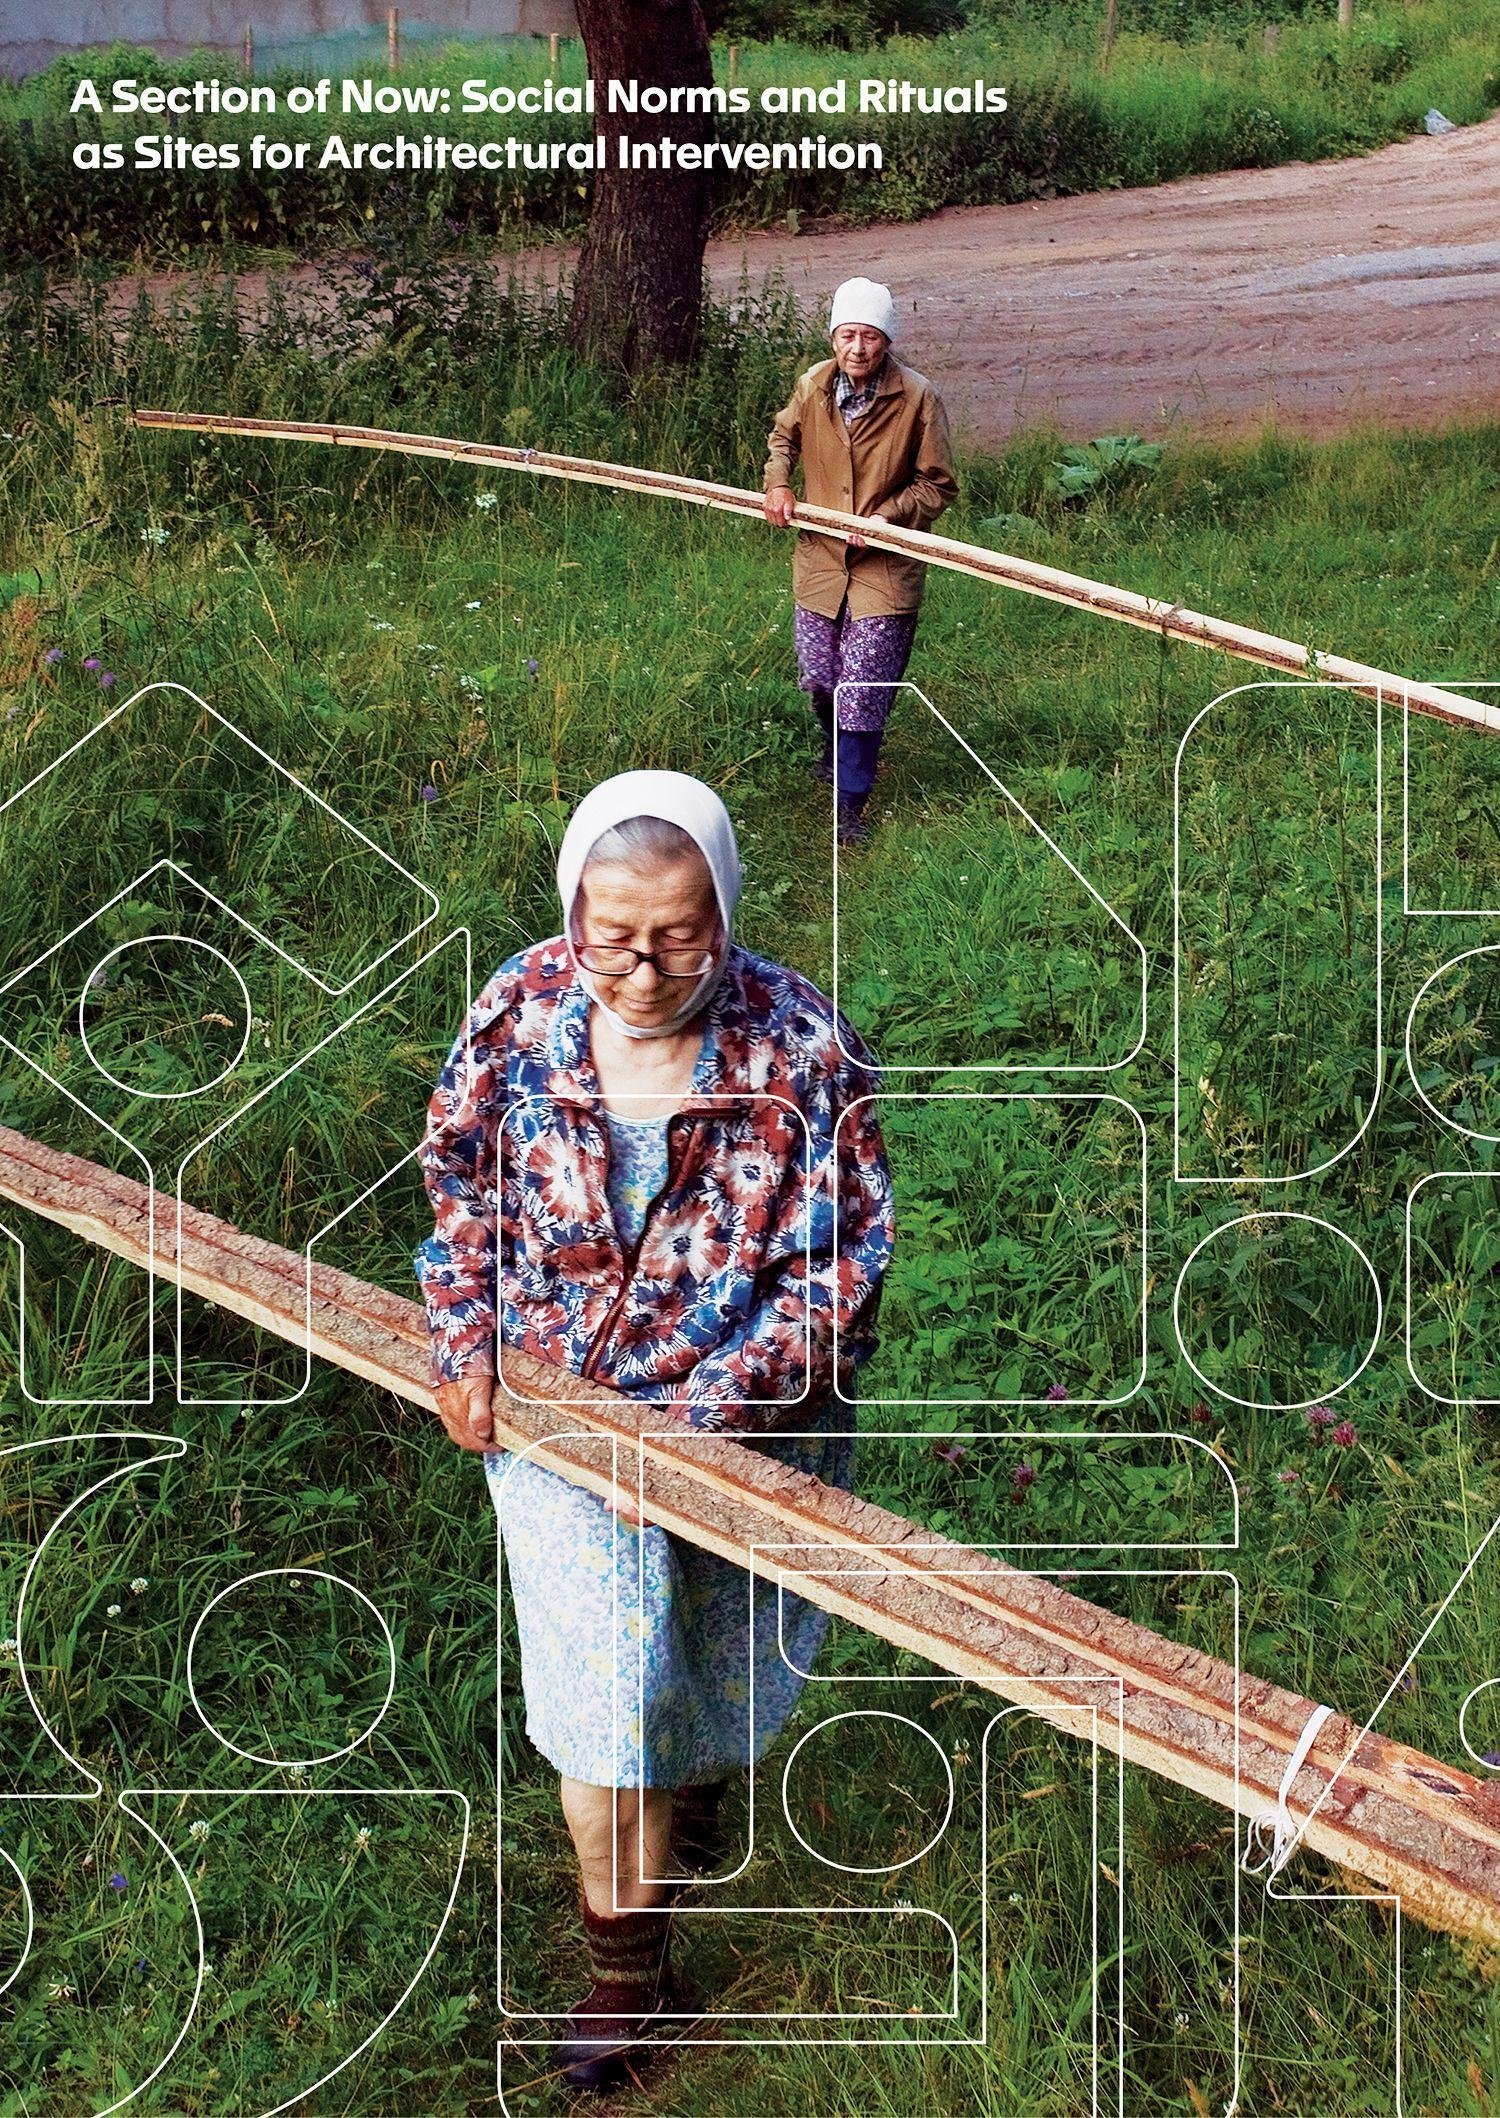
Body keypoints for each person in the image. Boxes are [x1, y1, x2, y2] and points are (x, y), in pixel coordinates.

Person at [414, 769, 895, 2093]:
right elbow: (459, 1179)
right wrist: (463, 1336)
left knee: (717, 1656)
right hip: (562, 1414)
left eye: (680, 936)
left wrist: (694, 1428)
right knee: (609, 1695)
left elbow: (840, 1273)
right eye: (611, 934)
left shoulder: (803, 1044)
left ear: (725, 911)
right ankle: (628, 1979)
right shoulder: (520, 1006)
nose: (640, 970)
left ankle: (694, 1791)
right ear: (570, 911)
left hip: (749, 1422)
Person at [763, 274, 959, 846]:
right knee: (822, 677)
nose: (858, 348)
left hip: (884, 566)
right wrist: (778, 484)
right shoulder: (813, 387)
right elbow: (783, 440)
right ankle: (835, 748)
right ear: (832, 338)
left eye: (870, 337)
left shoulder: (918, 398)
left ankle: (849, 803)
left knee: (864, 686)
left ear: (886, 341)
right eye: (847, 335)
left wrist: (887, 519)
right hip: (822, 561)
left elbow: (938, 484)